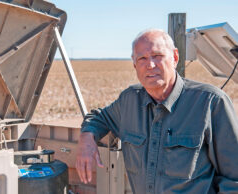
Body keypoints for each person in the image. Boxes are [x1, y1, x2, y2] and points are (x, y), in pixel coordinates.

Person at [75, 29, 238, 193]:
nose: (150, 65)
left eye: (157, 56)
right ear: (134, 65)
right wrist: (87, 138)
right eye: (142, 58)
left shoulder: (211, 102)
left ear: (175, 57)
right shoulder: (129, 101)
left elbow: (234, 179)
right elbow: (98, 118)